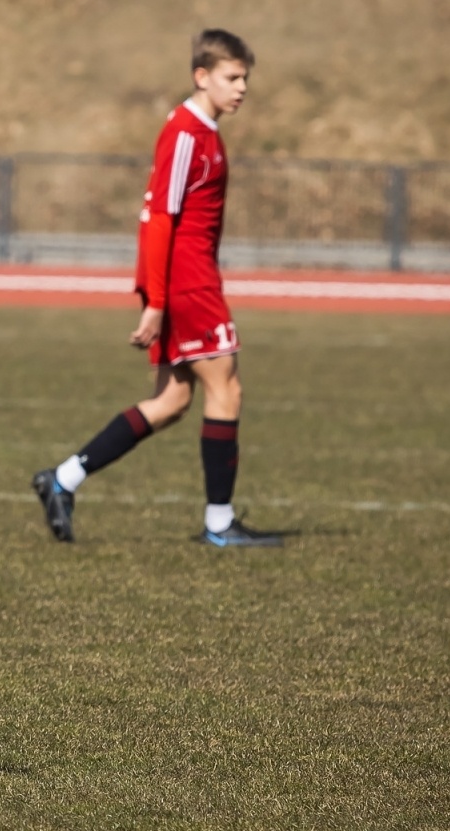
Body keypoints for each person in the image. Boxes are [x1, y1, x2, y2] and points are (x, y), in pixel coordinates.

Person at [33, 30, 279, 548]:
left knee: (171, 401)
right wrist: (158, 301)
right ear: (202, 76)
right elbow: (159, 220)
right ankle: (219, 523)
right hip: (189, 283)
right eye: (233, 78)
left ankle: (63, 479)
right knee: (226, 387)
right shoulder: (187, 133)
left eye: (245, 79)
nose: (242, 88)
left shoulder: (205, 130)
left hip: (190, 280)